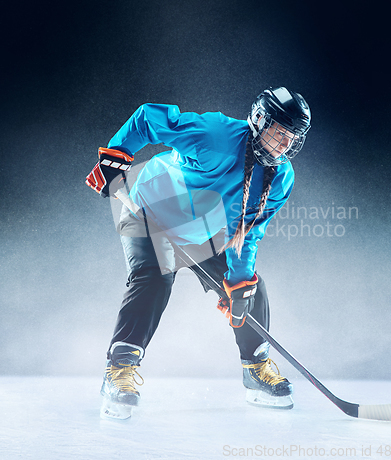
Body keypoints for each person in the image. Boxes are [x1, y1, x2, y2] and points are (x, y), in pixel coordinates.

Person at [86, 87, 311, 419]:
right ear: (260, 121)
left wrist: (236, 285)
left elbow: (246, 234)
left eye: (290, 137)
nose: (284, 144)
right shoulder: (215, 135)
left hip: (199, 232)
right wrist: (116, 156)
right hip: (148, 211)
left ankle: (256, 368)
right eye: (279, 132)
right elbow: (150, 117)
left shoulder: (280, 178)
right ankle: (118, 370)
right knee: (154, 278)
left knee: (251, 289)